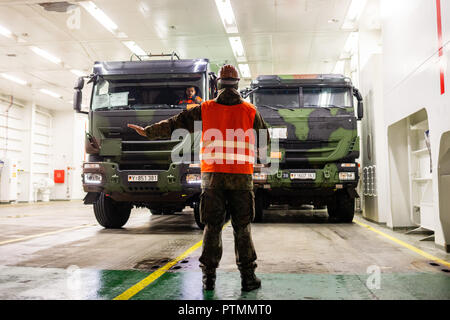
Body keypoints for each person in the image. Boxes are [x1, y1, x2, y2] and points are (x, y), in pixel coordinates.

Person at [127, 64, 268, 292]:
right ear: (238, 84)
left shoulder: (206, 108)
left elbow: (175, 123)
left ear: (218, 85)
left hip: (212, 179)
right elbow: (264, 143)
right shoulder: (251, 111)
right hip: (241, 179)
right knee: (242, 228)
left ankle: (208, 279)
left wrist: (148, 131)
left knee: (212, 227)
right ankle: (248, 278)